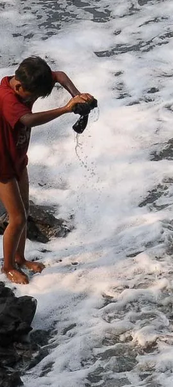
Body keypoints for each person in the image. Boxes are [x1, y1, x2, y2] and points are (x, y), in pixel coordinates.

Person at [0, 56, 95, 285]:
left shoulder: (29, 80)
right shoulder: (8, 100)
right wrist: (65, 109)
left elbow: (59, 75)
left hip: (18, 158)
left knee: (25, 209)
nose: (32, 99)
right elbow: (29, 120)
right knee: (18, 217)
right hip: (2, 166)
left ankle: (20, 258)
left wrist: (77, 95)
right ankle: (8, 266)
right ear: (19, 86)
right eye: (31, 96)